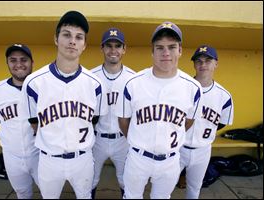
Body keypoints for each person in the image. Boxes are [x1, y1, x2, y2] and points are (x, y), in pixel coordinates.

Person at [20, 11, 107, 199]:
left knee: (85, 196)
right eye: (66, 34)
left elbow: (95, 119)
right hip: (49, 159)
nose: (72, 41)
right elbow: (34, 122)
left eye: (79, 37)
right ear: (56, 39)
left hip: (82, 158)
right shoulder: (34, 82)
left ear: (84, 45)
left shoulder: (95, 83)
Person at [115, 21, 204, 199]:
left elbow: (188, 121)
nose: (166, 53)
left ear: (180, 50)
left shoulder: (193, 87)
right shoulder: (133, 83)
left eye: (172, 47)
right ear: (152, 51)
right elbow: (123, 121)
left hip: (170, 160)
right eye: (159, 47)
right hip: (138, 157)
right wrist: (137, 138)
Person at [0, 44, 39, 199]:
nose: (19, 64)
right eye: (13, 60)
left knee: (50, 192)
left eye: (23, 59)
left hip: (40, 153)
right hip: (12, 155)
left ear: (32, 62)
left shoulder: (43, 87)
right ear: (7, 63)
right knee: (22, 193)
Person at [179, 45, 234, 199]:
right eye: (199, 61)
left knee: (194, 188)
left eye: (208, 61)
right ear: (194, 64)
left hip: (203, 150)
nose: (203, 65)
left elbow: (221, 123)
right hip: (177, 147)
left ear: (216, 63)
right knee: (165, 187)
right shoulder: (181, 87)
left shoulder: (224, 96)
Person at [90, 28, 135, 198]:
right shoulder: (90, 76)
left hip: (122, 139)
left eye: (118, 46)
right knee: (90, 180)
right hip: (96, 139)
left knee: (126, 181)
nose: (113, 50)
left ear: (124, 49)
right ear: (102, 48)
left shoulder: (133, 78)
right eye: (108, 45)